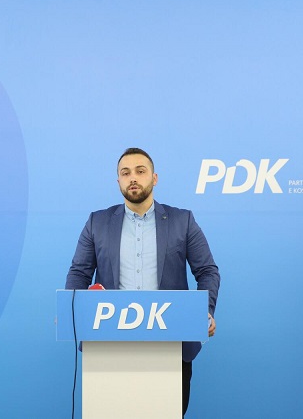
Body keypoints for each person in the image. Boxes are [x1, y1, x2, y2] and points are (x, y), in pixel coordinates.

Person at [65, 147, 220, 416]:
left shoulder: (182, 221)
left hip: (171, 342)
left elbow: (207, 271)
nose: (133, 178)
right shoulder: (97, 222)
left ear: (154, 178)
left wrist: (203, 312)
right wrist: (73, 314)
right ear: (118, 181)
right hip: (110, 343)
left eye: (140, 171)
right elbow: (79, 273)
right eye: (125, 173)